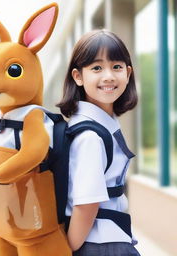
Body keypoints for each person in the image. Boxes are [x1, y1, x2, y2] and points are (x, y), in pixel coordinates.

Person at [57, 30, 140, 256]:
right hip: (98, 246)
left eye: (117, 67)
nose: (109, 76)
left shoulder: (99, 125)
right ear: (78, 76)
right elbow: (86, 205)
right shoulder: (90, 137)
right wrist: (69, 249)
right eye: (96, 68)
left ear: (128, 73)